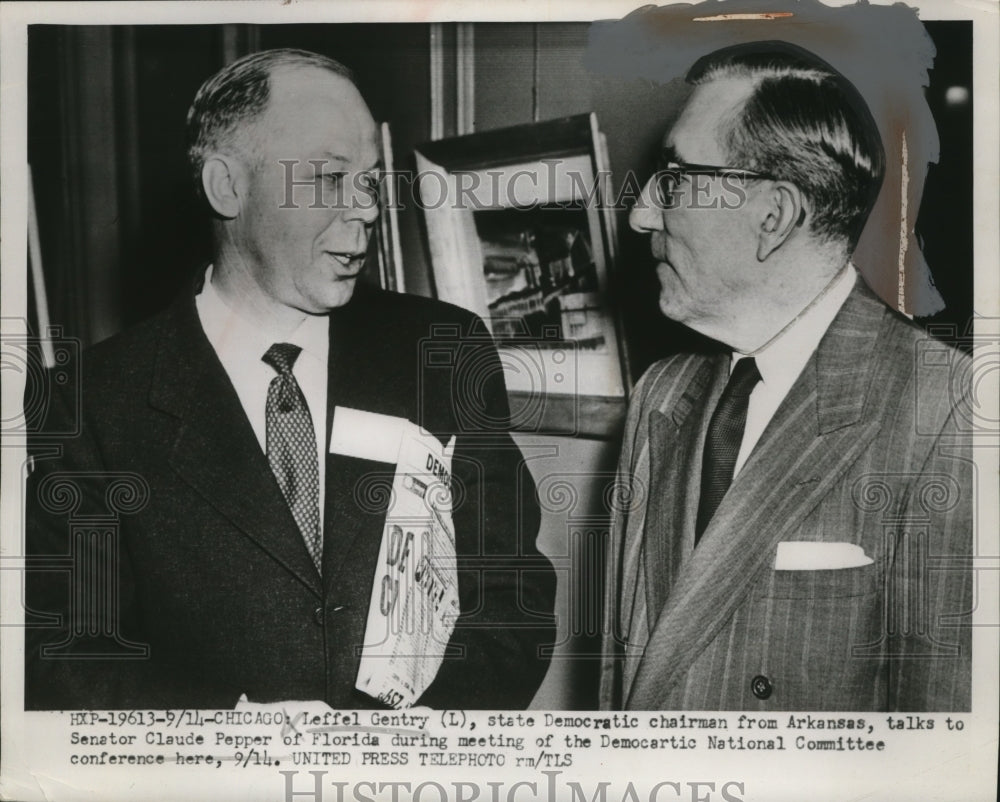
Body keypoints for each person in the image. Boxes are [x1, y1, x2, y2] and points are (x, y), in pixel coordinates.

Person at [25, 48, 555, 710]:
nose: (365, 210)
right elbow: (67, 657)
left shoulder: (441, 350)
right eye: (330, 179)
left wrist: (417, 748)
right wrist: (237, 737)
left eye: (370, 181)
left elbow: (511, 601)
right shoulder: (92, 401)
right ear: (227, 186)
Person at [600, 41, 972, 711]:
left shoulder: (946, 411)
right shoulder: (660, 396)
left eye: (675, 178)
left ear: (772, 216)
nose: (641, 213)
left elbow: (944, 746)